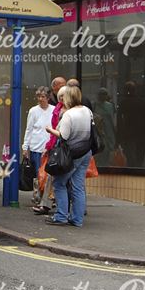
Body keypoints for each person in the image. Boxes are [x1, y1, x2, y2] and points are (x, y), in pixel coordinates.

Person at [44, 85, 93, 226]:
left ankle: (61, 216)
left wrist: (50, 130)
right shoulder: (87, 111)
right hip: (86, 152)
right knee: (78, 186)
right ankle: (77, 219)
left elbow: (63, 136)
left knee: (59, 183)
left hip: (71, 154)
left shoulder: (69, 115)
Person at [34, 79, 67, 215]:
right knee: (50, 178)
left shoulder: (62, 112)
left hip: (63, 150)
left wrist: (50, 135)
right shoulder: (59, 110)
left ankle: (61, 211)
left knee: (57, 181)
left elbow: (60, 133)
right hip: (57, 148)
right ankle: (47, 205)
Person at [22, 86, 53, 205]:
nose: (40, 99)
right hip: (36, 147)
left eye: (43, 96)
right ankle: (38, 196)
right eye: (38, 96)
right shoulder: (33, 111)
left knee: (47, 175)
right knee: (38, 174)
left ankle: (46, 198)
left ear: (48, 97)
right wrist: (26, 147)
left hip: (49, 147)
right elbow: (29, 129)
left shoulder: (53, 110)